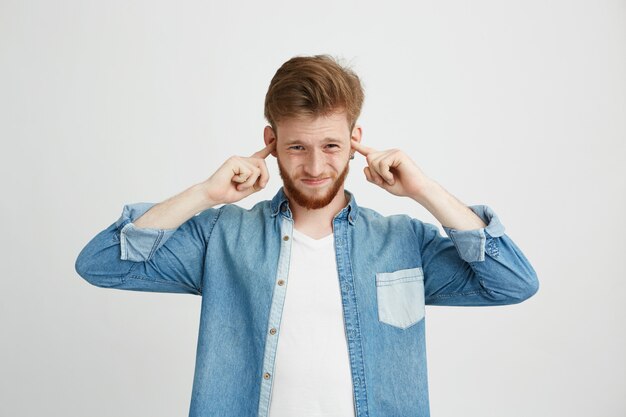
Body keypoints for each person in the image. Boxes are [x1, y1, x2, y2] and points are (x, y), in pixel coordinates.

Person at [75, 54, 539, 417]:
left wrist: (424, 190)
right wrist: (205, 194)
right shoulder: (222, 237)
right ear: (271, 141)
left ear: (356, 140)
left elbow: (511, 282)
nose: (315, 168)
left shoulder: (403, 243)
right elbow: (101, 263)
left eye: (331, 146)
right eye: (296, 146)